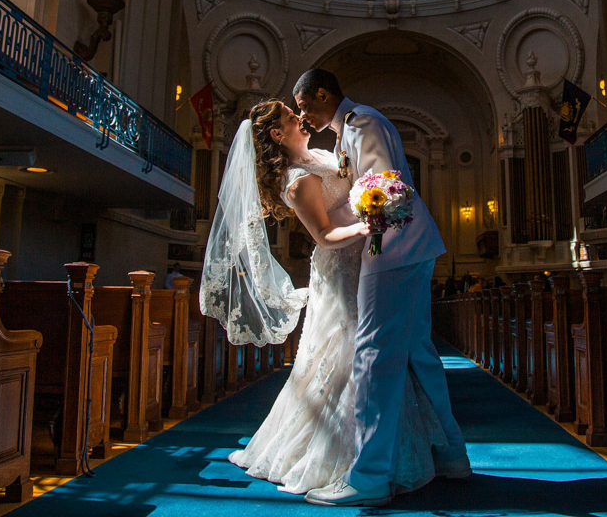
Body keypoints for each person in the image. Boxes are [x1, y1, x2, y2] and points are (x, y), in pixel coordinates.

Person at [200, 100, 447, 497]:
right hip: (341, 267)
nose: (299, 117)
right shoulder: (297, 180)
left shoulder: (322, 153)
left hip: (367, 261)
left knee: (374, 350)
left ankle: (383, 453)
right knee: (350, 351)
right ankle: (349, 456)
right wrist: (367, 225)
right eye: (289, 115)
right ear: (277, 134)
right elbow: (325, 235)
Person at [295, 69, 470, 508]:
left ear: (322, 94)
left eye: (304, 105)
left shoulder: (362, 123)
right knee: (417, 352)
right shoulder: (348, 129)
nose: (303, 115)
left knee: (373, 353)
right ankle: (451, 454)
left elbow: (382, 189)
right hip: (410, 245)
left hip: (391, 247)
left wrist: (359, 233)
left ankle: (370, 476)